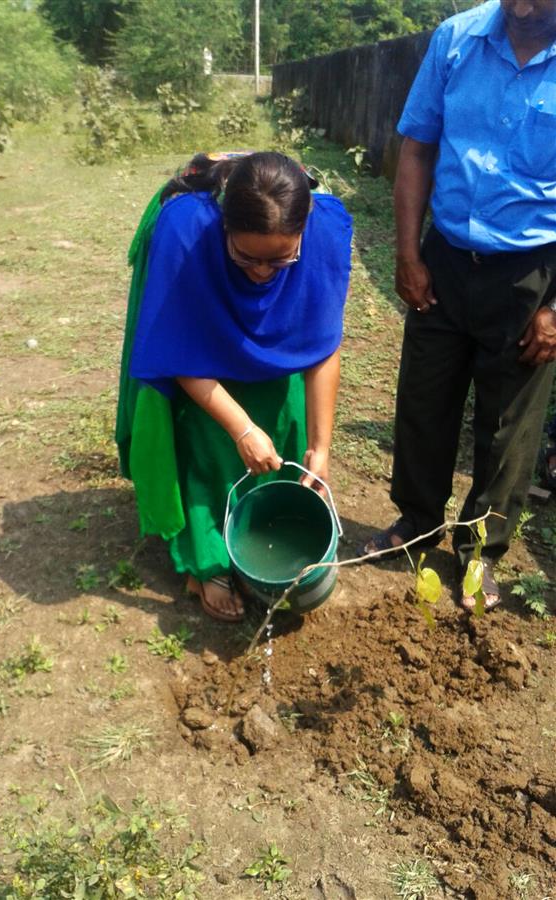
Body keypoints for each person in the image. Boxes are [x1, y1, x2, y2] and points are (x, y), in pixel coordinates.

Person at [360, 0, 556, 611]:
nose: (522, 10)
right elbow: (416, 149)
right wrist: (408, 254)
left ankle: (480, 553)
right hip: (445, 256)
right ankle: (415, 522)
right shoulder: (456, 39)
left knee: (510, 424)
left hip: (532, 273)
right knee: (425, 393)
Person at [116, 152, 352, 621]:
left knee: (288, 419)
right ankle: (209, 561)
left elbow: (321, 344)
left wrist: (321, 447)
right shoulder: (186, 231)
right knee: (207, 441)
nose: (262, 272)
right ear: (224, 229)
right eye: (247, 257)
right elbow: (177, 349)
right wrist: (240, 427)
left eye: (280, 259)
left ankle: (272, 532)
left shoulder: (325, 232)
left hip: (272, 277)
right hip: (198, 323)